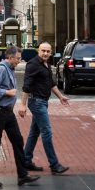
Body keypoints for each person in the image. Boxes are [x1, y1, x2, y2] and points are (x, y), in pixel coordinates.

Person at [0, 45, 40, 188]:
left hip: (8, 113)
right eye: (18, 58)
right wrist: (8, 92)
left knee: (18, 141)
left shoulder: (10, 69)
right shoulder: (2, 69)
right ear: (10, 57)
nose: (20, 61)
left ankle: (22, 175)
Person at [17, 41, 70, 175]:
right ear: (38, 51)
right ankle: (54, 164)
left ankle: (26, 161)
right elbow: (26, 86)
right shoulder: (33, 64)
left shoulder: (47, 65)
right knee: (47, 132)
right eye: (43, 51)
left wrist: (60, 97)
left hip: (43, 102)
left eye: (48, 51)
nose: (45, 53)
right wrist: (23, 104)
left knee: (34, 132)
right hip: (36, 102)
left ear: (51, 52)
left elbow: (51, 83)